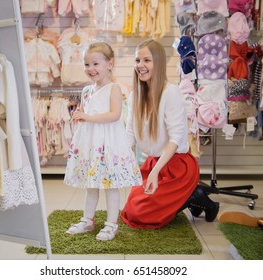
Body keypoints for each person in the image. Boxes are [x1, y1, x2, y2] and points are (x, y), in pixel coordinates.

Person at [120, 39, 219, 229]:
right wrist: (120, 161)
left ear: (158, 62)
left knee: (141, 214)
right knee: (131, 209)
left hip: (177, 165)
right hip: (153, 163)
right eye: (137, 60)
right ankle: (192, 196)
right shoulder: (135, 95)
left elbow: (175, 140)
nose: (140, 66)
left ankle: (197, 198)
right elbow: (130, 133)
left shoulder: (171, 92)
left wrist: (155, 173)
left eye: (146, 60)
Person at [63, 42, 143, 241]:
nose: (91, 69)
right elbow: (87, 112)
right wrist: (81, 117)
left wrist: (87, 117)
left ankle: (111, 223)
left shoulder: (113, 88)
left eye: (96, 64)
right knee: (92, 182)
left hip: (109, 143)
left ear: (110, 64)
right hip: (91, 142)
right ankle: (87, 220)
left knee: (110, 183)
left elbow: (114, 115)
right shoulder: (86, 90)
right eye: (87, 64)